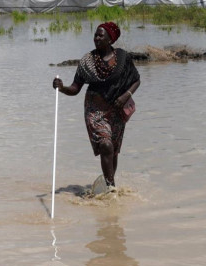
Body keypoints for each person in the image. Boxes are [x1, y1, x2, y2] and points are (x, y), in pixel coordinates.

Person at [52, 22, 140, 190]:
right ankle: (111, 188)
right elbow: (75, 88)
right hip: (95, 110)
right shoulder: (87, 61)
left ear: (110, 39)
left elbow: (136, 80)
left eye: (101, 35)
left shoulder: (123, 58)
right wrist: (62, 88)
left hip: (117, 110)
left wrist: (126, 95)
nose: (97, 38)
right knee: (105, 145)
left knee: (113, 151)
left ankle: (108, 185)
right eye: (95, 35)